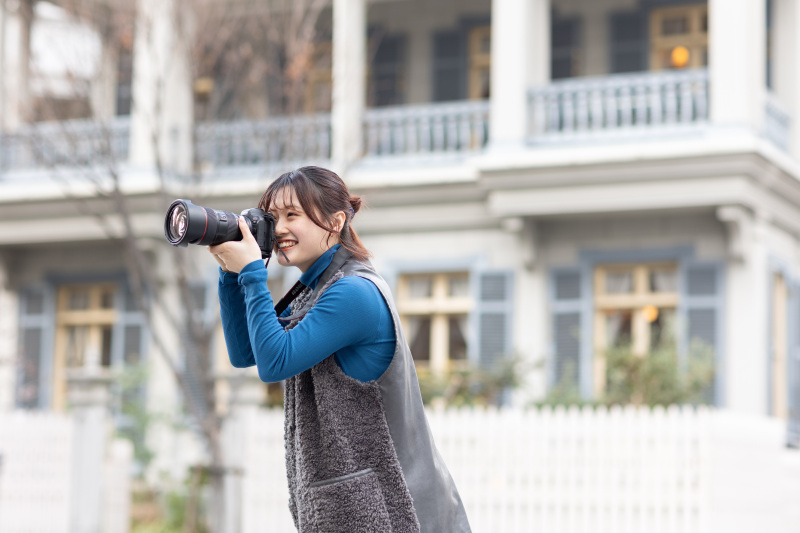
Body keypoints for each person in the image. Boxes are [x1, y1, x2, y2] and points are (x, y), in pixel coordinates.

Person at [209, 166, 471, 533]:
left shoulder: (353, 291)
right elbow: (245, 353)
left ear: (335, 222)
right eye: (272, 218)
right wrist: (230, 272)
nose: (278, 228)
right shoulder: (314, 290)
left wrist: (253, 272)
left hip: (403, 512)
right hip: (363, 509)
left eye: (292, 215)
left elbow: (274, 362)